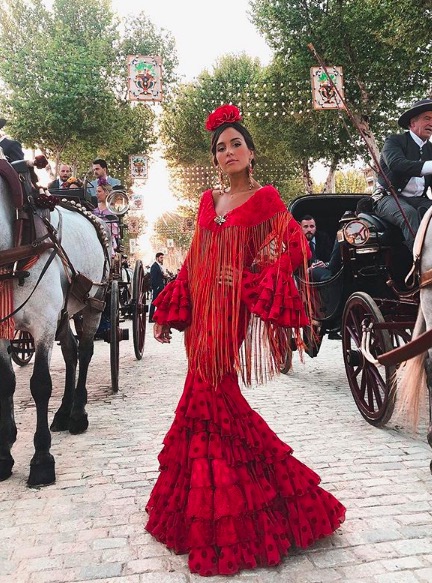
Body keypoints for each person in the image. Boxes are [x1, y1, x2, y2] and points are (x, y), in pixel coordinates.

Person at [145, 104, 346, 577]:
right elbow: (195, 259)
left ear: (251, 152)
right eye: (220, 147)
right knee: (204, 402)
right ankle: (212, 507)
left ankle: (244, 514)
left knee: (213, 396)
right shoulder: (206, 203)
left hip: (229, 314)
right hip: (201, 314)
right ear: (214, 159)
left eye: (236, 144)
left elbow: (293, 248)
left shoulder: (268, 200)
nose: (228, 152)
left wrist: (249, 279)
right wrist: (171, 310)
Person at [373, 97, 432, 251]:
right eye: (427, 118)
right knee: (409, 214)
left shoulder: (431, 149)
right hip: (388, 198)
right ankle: (419, 265)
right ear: (412, 123)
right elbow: (397, 164)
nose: (431, 123)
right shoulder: (394, 141)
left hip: (419, 199)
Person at [92, 182, 119, 255]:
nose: (96, 194)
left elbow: (114, 230)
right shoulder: (93, 208)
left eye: (99, 191)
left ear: (106, 193)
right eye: (96, 191)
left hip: (107, 238)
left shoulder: (112, 210)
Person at [148, 252, 166, 323]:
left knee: (160, 302)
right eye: (161, 258)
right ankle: (151, 317)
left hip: (160, 287)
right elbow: (153, 278)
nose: (162, 259)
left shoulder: (159, 266)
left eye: (162, 258)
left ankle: (158, 316)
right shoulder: (154, 266)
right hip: (157, 287)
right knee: (154, 302)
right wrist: (156, 287)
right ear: (157, 258)